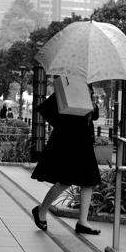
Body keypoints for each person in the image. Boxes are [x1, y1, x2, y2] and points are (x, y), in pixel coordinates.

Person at [31, 80, 101, 236]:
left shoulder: (88, 86)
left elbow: (94, 115)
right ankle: (41, 210)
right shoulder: (68, 84)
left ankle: (83, 222)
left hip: (84, 140)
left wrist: (92, 107)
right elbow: (47, 109)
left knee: (88, 180)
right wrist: (66, 120)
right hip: (69, 140)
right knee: (65, 180)